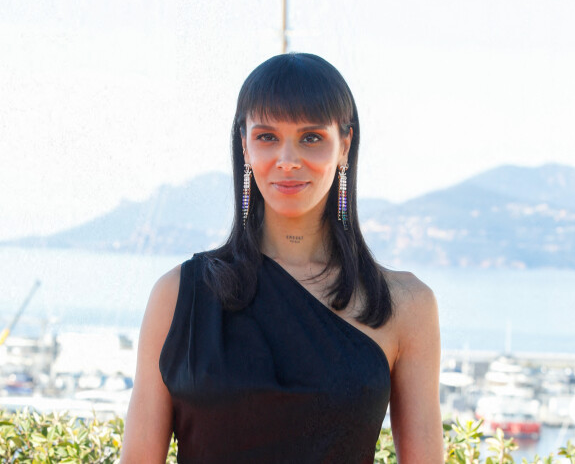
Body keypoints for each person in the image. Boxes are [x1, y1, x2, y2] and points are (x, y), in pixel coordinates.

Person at [120, 53, 443, 463]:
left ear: (344, 146)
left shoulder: (404, 305)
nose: (287, 160)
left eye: (311, 137)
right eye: (267, 137)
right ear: (245, 145)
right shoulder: (177, 296)